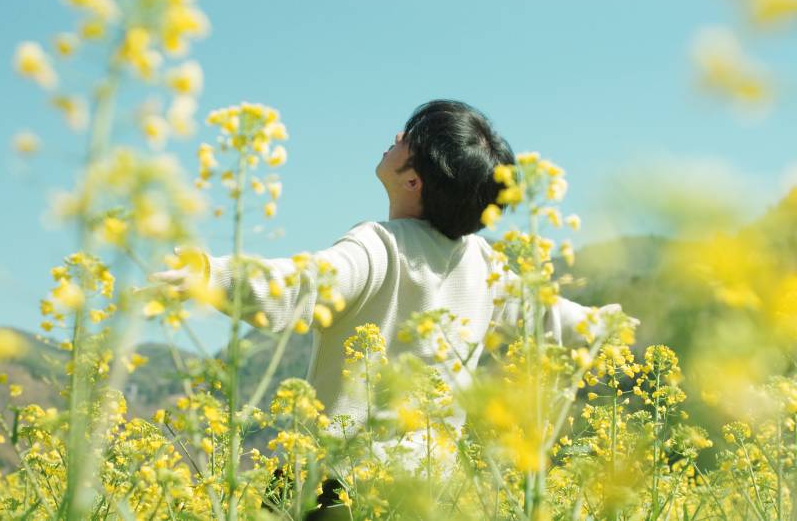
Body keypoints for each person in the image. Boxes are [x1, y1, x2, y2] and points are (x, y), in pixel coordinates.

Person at [151, 99, 634, 515]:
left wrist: (213, 276)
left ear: (415, 182)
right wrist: (605, 326)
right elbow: (549, 316)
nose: (397, 137)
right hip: (420, 492)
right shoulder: (484, 264)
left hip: (331, 482)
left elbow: (302, 286)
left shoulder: (378, 245)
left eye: (411, 141)